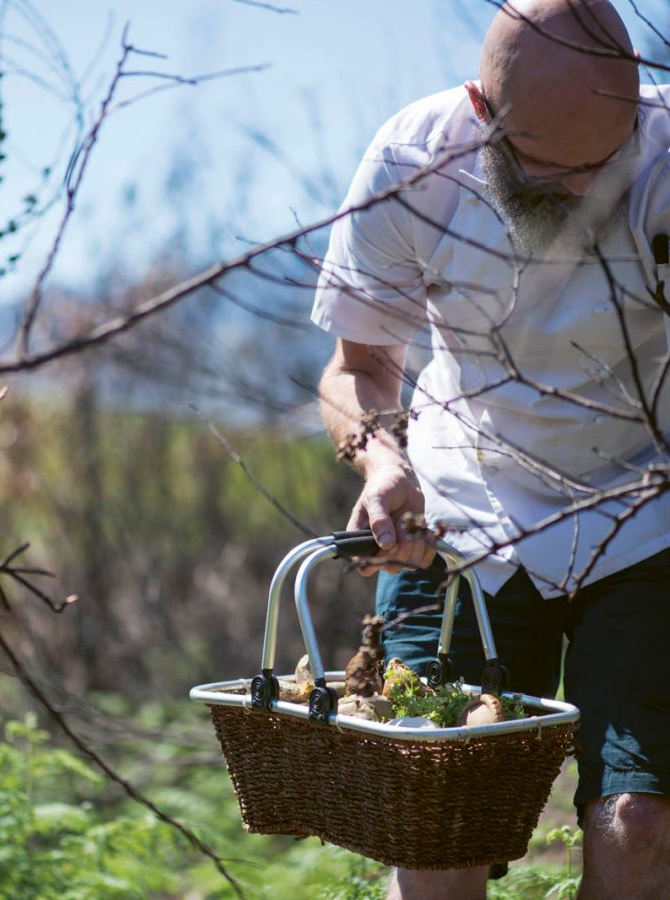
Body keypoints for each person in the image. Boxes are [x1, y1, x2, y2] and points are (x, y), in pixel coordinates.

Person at [312, 0, 670, 897]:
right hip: (462, 509)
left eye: (609, 158)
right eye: (558, 168)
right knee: (438, 820)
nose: (589, 189)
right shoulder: (411, 164)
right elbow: (355, 367)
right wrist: (384, 463)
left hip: (647, 514)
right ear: (485, 113)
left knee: (639, 821)